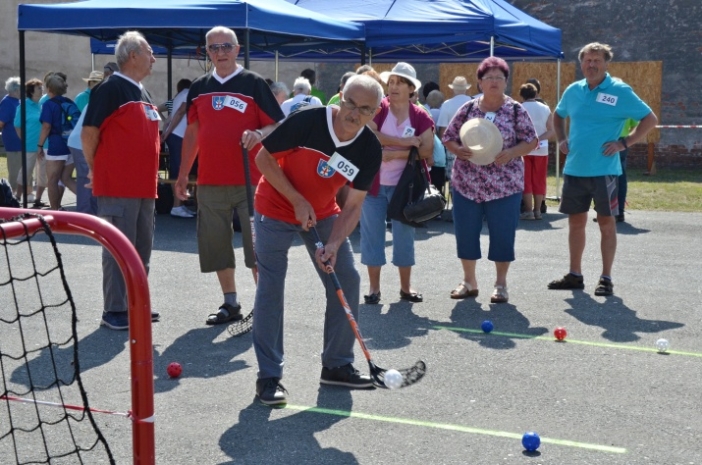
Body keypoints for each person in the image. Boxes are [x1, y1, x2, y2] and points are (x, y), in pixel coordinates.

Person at [250, 74, 384, 405]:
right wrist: (296, 199)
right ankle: (268, 377)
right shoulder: (309, 120)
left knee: (347, 278)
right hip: (275, 206)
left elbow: (353, 206)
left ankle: (336, 365)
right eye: (350, 103)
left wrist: (336, 243)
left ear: (375, 112)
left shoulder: (368, 148)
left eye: (365, 109)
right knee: (271, 287)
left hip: (324, 213)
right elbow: (262, 157)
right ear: (339, 96)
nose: (354, 113)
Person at [175, 26, 285, 326]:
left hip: (252, 179)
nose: (220, 52)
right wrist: (184, 174)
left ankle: (265, 306)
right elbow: (193, 134)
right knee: (216, 245)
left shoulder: (254, 83)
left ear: (237, 49)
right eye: (214, 48)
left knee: (257, 247)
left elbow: (277, 125)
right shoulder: (198, 87)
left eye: (226, 46)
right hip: (210, 180)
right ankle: (230, 303)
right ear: (206, 53)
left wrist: (259, 132)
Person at [547, 42, 657, 297]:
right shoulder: (574, 90)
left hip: (605, 171)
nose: (592, 65)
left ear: (606, 63)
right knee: (576, 223)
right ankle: (575, 275)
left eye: (597, 60)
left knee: (607, 224)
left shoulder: (619, 91)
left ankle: (606, 278)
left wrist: (625, 142)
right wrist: (561, 139)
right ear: (581, 63)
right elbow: (558, 115)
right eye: (587, 60)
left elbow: (650, 118)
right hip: (575, 170)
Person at [81, 31, 161, 330]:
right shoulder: (110, 88)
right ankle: (114, 310)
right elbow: (89, 133)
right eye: (149, 52)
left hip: (144, 187)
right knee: (118, 248)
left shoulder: (142, 90)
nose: (154, 58)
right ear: (133, 56)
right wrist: (94, 168)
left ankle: (135, 303)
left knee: (141, 248)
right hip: (118, 186)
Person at [442, 57, 538, 304]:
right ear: (479, 82)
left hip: (505, 186)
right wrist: (457, 149)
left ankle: (500, 284)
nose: (494, 82)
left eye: (499, 77)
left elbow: (532, 141)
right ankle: (469, 281)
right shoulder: (468, 109)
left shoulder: (516, 109)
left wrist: (512, 153)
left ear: (506, 82)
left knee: (503, 235)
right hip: (467, 184)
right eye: (489, 77)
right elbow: (448, 136)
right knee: (466, 234)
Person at [360, 62, 434, 305]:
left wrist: (395, 153)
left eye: (399, 83)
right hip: (374, 183)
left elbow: (426, 150)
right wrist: (405, 143)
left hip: (406, 186)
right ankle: (373, 288)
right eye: (391, 82)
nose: (392, 87)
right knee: (373, 235)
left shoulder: (421, 115)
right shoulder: (379, 108)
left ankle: (406, 287)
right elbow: (369, 134)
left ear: (411, 88)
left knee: (404, 235)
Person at [36, 74, 77, 210]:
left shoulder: (49, 104)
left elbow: (46, 127)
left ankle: (55, 211)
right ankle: (89, 202)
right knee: (66, 178)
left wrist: (40, 145)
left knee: (52, 180)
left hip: (57, 145)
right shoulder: (69, 102)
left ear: (49, 89)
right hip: (71, 145)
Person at [159, 78, 194, 218]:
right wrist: (167, 132)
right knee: (179, 170)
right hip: (179, 136)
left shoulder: (179, 95)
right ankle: (176, 206)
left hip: (178, 136)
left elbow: (173, 116)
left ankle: (180, 204)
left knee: (179, 170)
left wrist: (167, 130)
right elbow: (180, 112)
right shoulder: (188, 94)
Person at [519, 82, 554, 220]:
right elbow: (551, 130)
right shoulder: (545, 108)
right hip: (542, 149)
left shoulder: (520, 108)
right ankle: (538, 210)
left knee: (526, 180)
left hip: (524, 148)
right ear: (536, 94)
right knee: (539, 180)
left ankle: (528, 211)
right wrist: (538, 139)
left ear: (522, 95)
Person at [13, 78, 46, 205]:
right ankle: (17, 197)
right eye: (39, 88)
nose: (41, 90)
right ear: (31, 91)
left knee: (42, 173)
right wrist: (24, 140)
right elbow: (17, 125)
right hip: (30, 144)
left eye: (41, 88)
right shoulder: (24, 106)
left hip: (44, 145)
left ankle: (38, 199)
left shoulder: (41, 104)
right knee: (26, 171)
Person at [0, 77, 22, 197]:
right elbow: (1, 122)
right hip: (13, 143)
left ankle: (19, 195)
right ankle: (11, 196)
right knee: (15, 170)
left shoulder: (18, 101)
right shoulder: (7, 102)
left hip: (22, 142)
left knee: (22, 170)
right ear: (15, 90)